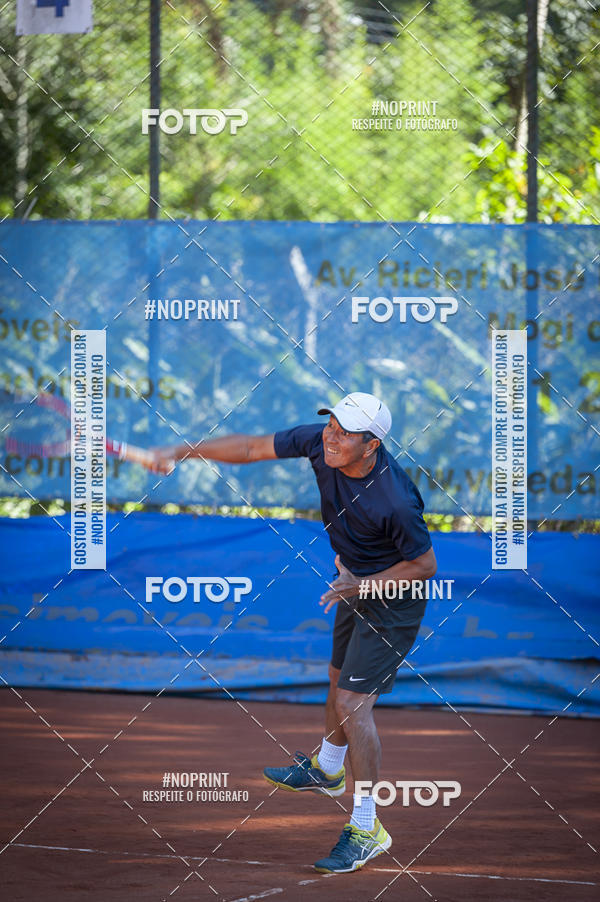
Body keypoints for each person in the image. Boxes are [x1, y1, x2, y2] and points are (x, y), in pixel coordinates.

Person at [148, 391, 436, 874]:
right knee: (335, 677)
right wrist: (181, 450)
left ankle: (368, 829)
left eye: (345, 432)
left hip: (392, 600)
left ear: (371, 446)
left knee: (351, 704)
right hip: (354, 584)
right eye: (331, 425)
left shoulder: (395, 500)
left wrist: (363, 587)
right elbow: (250, 448)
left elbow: (424, 564)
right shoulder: (321, 443)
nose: (331, 436)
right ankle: (327, 769)